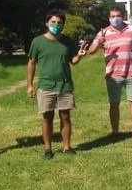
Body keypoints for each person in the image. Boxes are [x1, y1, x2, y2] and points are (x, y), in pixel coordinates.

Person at [27, 9, 88, 159]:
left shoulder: (67, 41)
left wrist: (79, 56)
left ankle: (67, 147)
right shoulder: (37, 41)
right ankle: (48, 149)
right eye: (53, 22)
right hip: (45, 86)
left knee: (65, 117)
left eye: (59, 23)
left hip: (65, 85)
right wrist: (29, 85)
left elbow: (72, 61)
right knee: (47, 117)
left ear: (63, 25)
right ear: (47, 23)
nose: (56, 24)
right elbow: (31, 63)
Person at [88, 5, 132, 141]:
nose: (115, 19)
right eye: (112, 16)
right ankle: (115, 133)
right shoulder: (104, 32)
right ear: (109, 18)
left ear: (123, 16)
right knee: (114, 104)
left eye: (118, 16)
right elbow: (91, 50)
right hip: (113, 74)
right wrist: (98, 43)